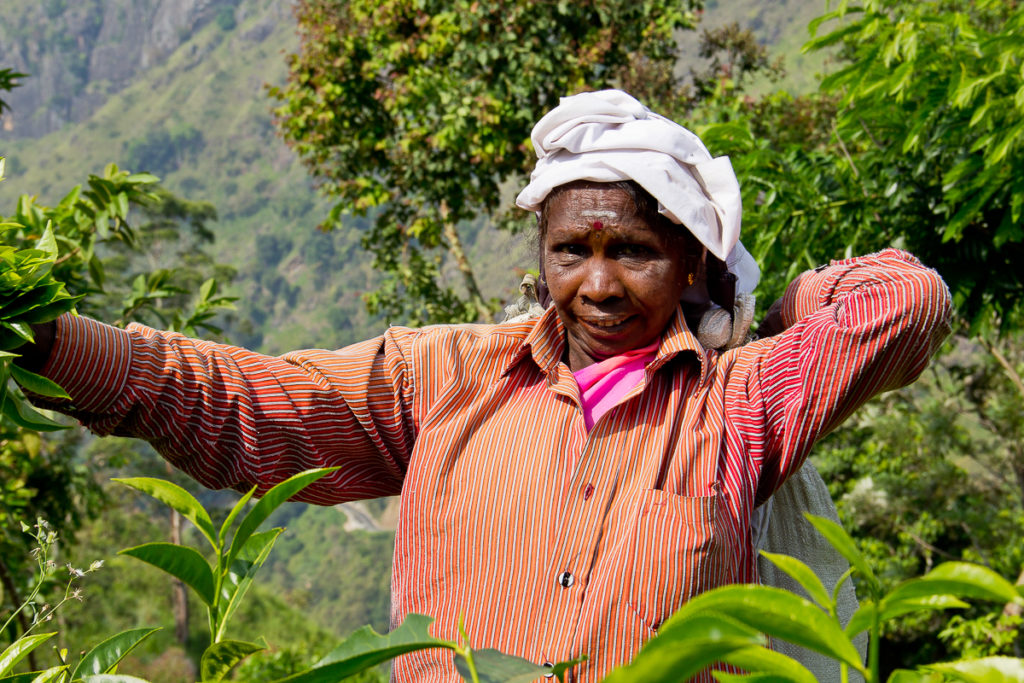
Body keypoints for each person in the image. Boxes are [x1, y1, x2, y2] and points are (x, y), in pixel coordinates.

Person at [18, 90, 951, 682]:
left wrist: (781, 305)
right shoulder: (450, 378)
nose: (599, 285)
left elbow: (904, 302)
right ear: (540, 256)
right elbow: (247, 404)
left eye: (634, 251)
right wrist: (47, 336)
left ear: (692, 264)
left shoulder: (737, 402)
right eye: (570, 251)